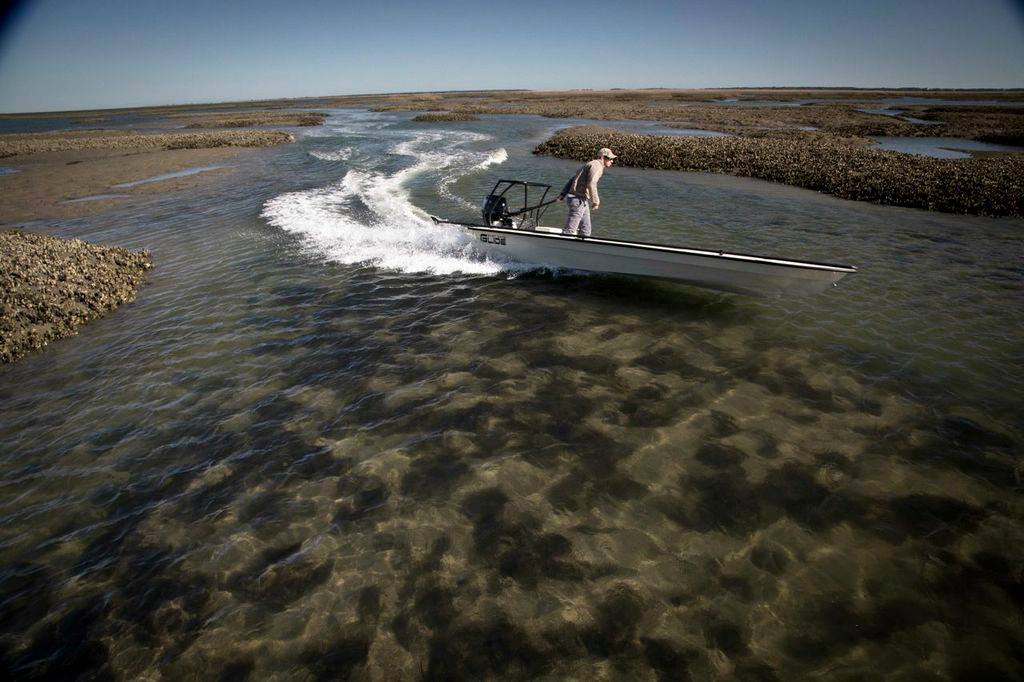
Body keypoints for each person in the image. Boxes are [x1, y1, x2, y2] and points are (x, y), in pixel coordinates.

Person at [558, 147, 617, 238]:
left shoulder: (590, 164)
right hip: (578, 200)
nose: (612, 161)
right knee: (570, 231)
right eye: (610, 158)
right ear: (602, 157)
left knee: (586, 230)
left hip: (580, 200)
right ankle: (562, 248)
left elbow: (573, 179)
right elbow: (592, 184)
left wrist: (562, 194)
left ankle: (582, 247)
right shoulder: (597, 166)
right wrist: (596, 201)